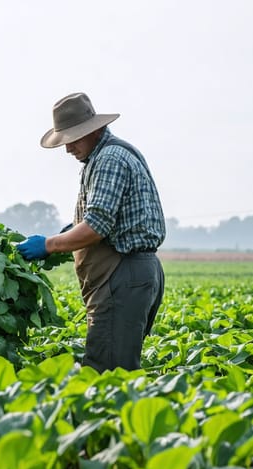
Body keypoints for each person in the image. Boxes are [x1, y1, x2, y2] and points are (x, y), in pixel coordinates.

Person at [17, 92, 166, 373]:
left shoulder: (109, 160)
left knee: (107, 372)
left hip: (123, 274)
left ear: (95, 130)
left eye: (73, 138)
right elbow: (101, 219)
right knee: (115, 364)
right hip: (130, 274)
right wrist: (66, 235)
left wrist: (49, 245)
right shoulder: (107, 156)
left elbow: (96, 227)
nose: (68, 148)